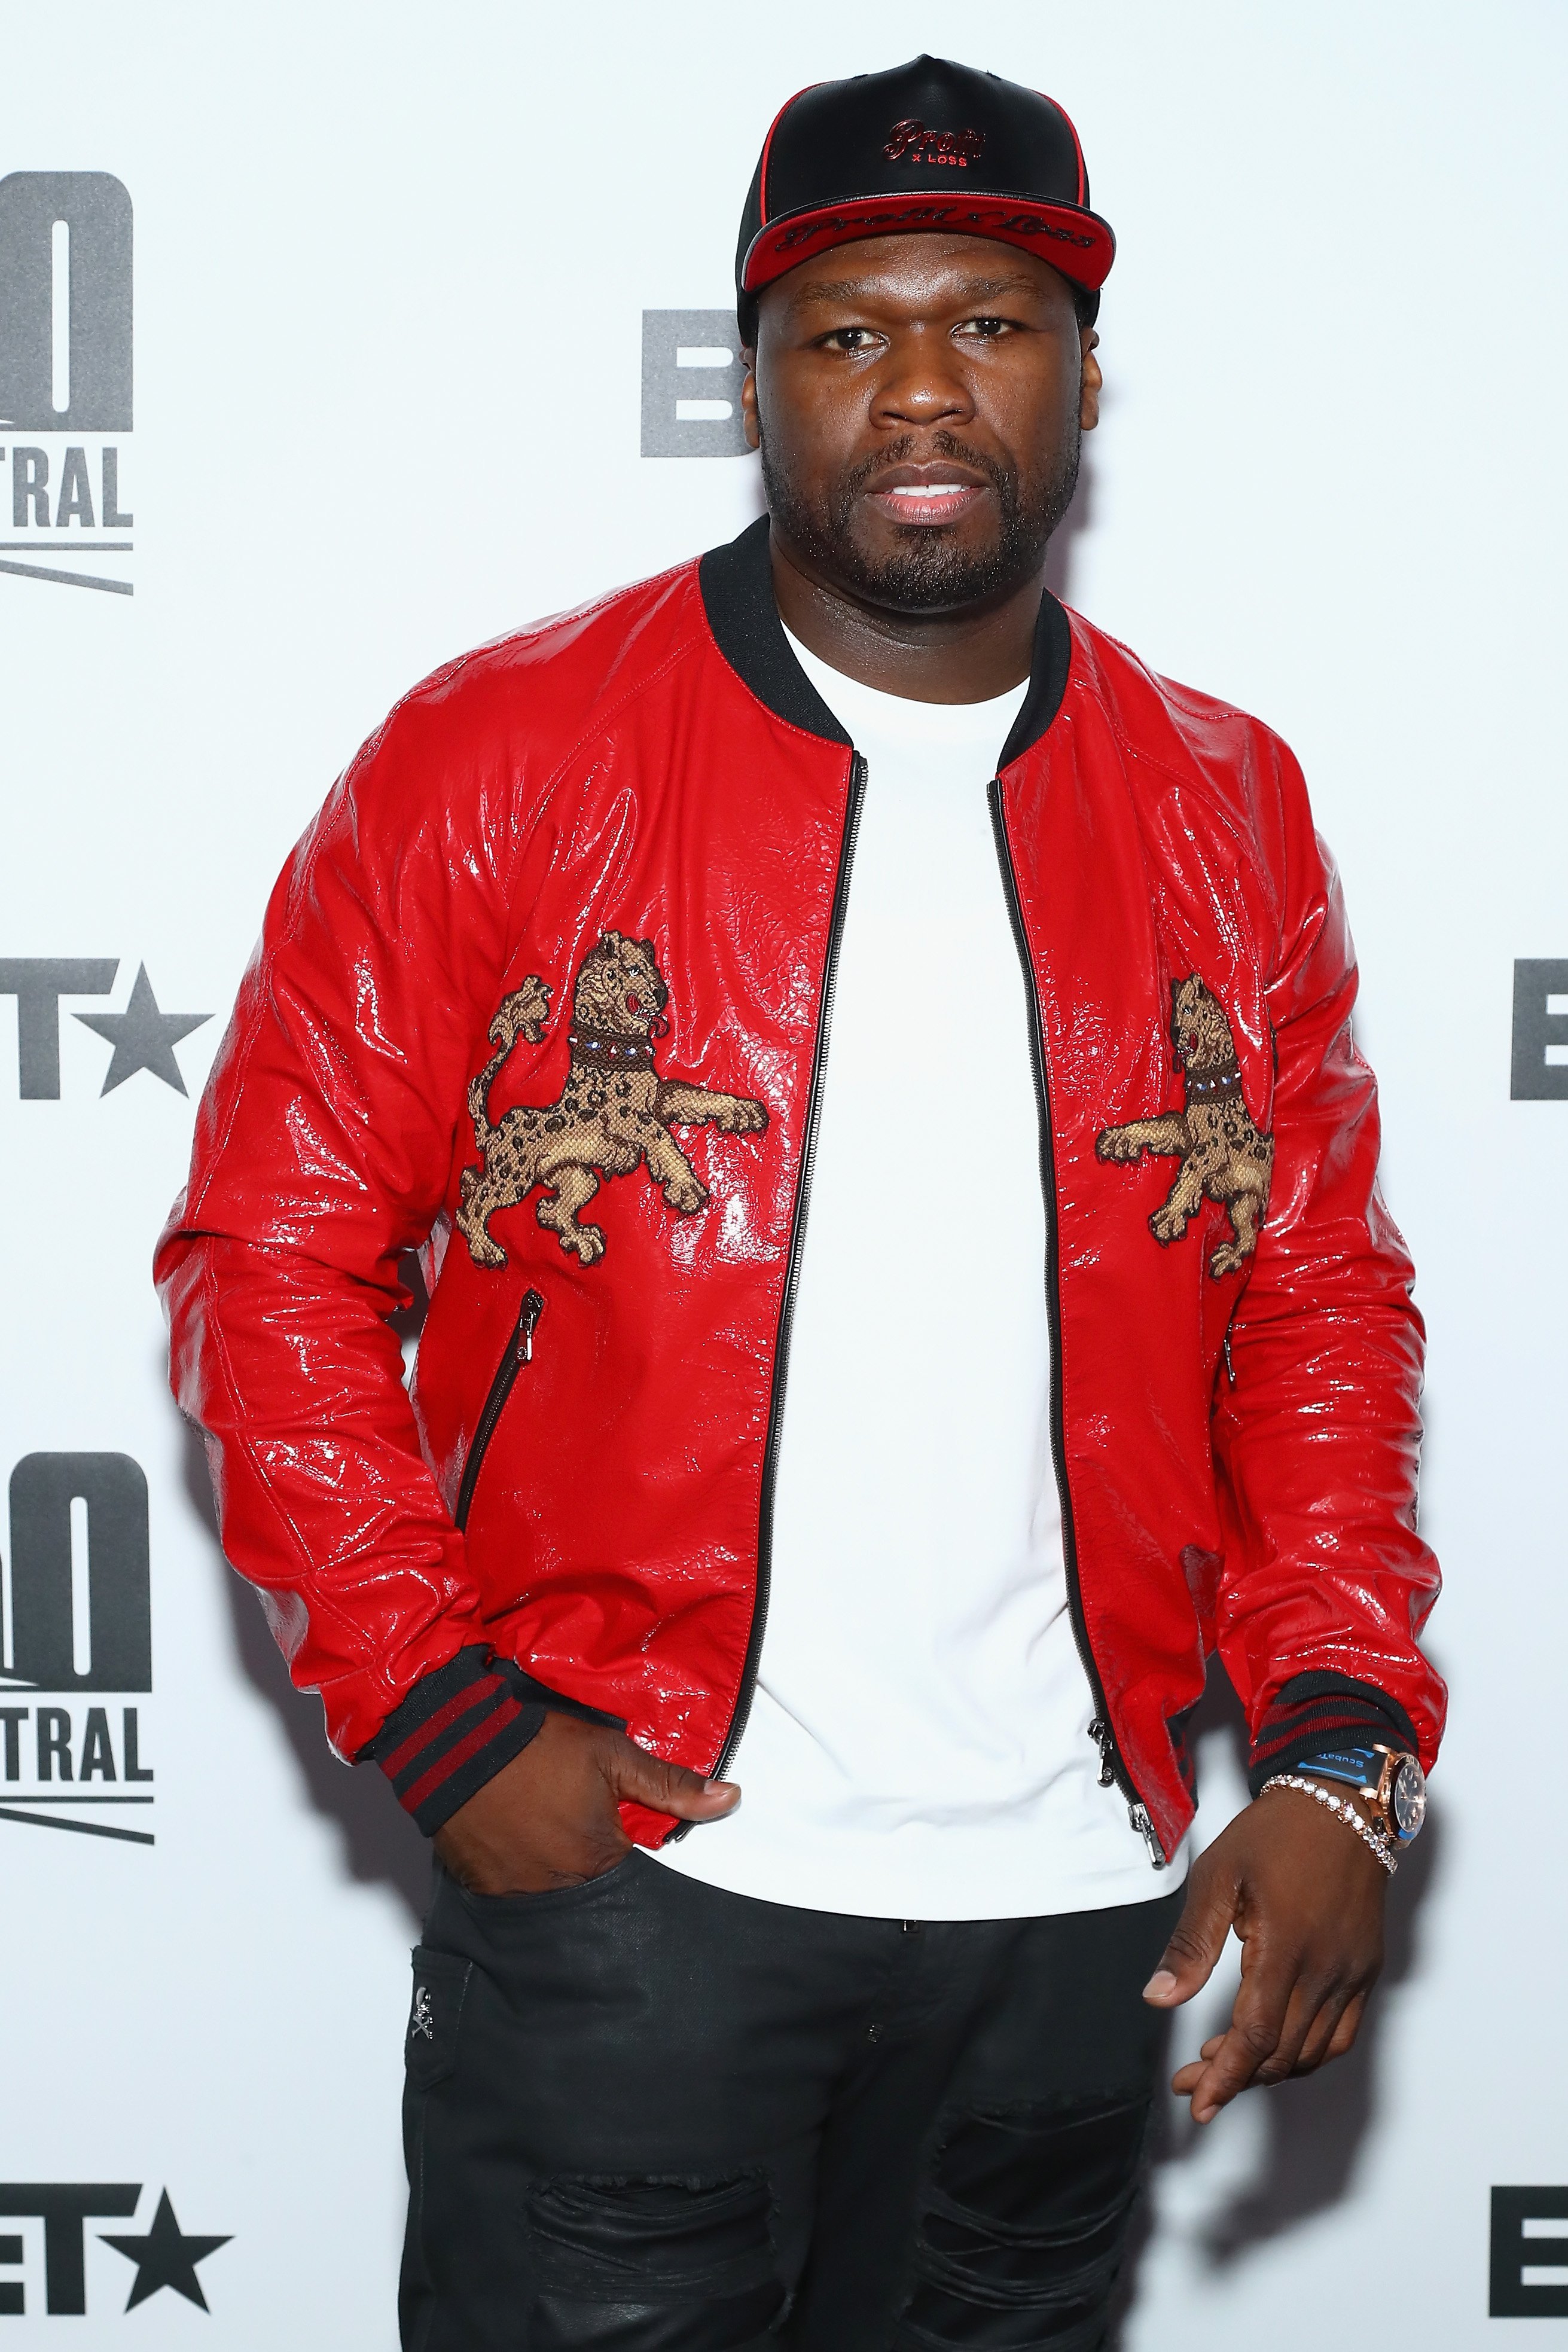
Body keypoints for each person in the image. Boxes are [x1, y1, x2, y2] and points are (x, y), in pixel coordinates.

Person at [156, 54, 1444, 2351]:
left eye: (994, 321)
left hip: (1079, 1914)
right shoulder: (500, 758)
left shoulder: (1229, 806)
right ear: (753, 379)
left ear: (1081, 375)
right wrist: (442, 1716)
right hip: (647, 1887)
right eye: (850, 332)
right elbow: (273, 1258)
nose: (925, 388)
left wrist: (1342, 1759)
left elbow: (1316, 1303)